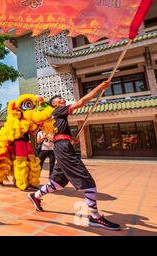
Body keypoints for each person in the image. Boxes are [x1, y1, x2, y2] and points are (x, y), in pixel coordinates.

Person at [28, 81, 120, 231]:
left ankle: (35, 196)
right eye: (58, 98)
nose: (61, 99)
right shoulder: (58, 110)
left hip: (62, 146)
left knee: (57, 183)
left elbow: (59, 134)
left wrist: (71, 138)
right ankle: (95, 217)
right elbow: (82, 102)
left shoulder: (57, 117)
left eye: (61, 97)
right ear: (54, 104)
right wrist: (99, 87)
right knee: (88, 183)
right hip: (64, 149)